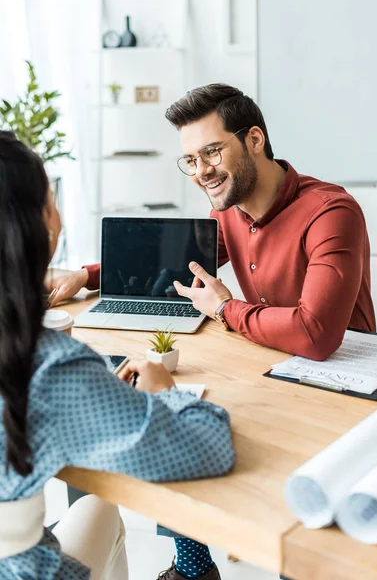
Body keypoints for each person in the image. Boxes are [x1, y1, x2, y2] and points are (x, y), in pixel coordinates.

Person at [0, 131, 235, 579]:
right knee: (102, 510)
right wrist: (166, 392)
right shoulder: (49, 367)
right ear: (42, 226)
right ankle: (193, 567)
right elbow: (206, 449)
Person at [49, 83, 375, 361]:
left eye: (212, 151)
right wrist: (86, 275)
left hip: (347, 372)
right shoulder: (226, 211)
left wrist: (225, 309)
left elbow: (314, 336)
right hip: (269, 357)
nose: (201, 171)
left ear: (255, 140)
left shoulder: (330, 213)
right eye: (191, 160)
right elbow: (180, 267)